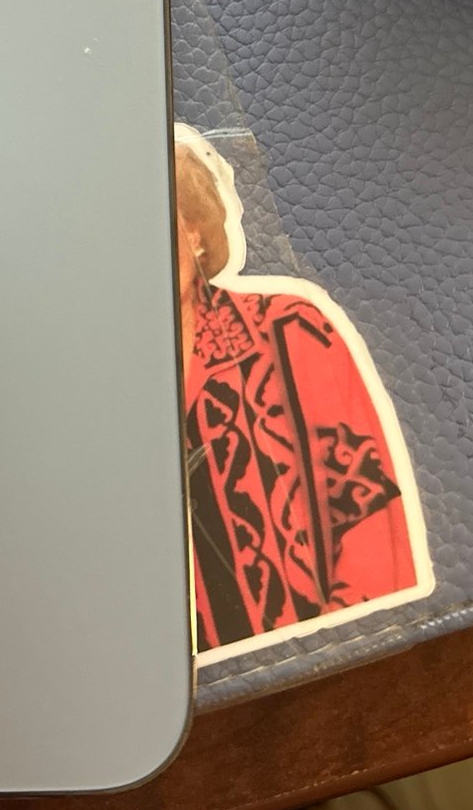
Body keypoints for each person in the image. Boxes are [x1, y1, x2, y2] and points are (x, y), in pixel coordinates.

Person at [175, 132, 419, 652]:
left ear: (194, 231)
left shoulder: (287, 331)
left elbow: (369, 521)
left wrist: (334, 656)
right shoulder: (96, 404)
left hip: (333, 662)